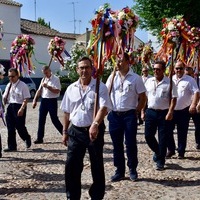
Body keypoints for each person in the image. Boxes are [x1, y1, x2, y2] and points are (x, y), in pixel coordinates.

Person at [60, 56, 112, 200]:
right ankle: (72, 196)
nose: (84, 70)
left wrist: (95, 124)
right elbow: (66, 111)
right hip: (75, 131)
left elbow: (103, 108)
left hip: (93, 132)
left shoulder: (99, 87)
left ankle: (96, 195)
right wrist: (65, 131)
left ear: (92, 69)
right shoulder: (71, 88)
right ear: (77, 70)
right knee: (71, 166)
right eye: (81, 67)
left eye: (87, 67)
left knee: (96, 165)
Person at [106, 52, 146, 182]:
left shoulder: (135, 78)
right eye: (117, 60)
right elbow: (105, 94)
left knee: (130, 143)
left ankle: (132, 169)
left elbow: (143, 97)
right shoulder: (112, 77)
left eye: (121, 60)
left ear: (128, 61)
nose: (118, 63)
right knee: (117, 144)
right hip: (115, 115)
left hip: (129, 115)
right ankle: (119, 170)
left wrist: (138, 110)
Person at [144, 60, 177, 170]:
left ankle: (161, 161)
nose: (156, 71)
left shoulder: (170, 83)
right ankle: (158, 152)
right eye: (154, 69)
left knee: (163, 138)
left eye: (158, 69)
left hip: (164, 113)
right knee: (148, 136)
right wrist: (142, 111)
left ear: (163, 70)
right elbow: (144, 97)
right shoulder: (149, 81)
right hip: (151, 112)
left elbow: (173, 98)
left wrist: (170, 111)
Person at [166, 62, 199, 158]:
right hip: (171, 109)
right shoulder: (170, 79)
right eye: (176, 68)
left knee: (182, 132)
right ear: (174, 69)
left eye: (180, 68)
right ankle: (171, 149)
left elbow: (196, 92)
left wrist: (193, 105)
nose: (178, 70)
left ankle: (181, 151)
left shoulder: (190, 80)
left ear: (184, 69)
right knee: (167, 130)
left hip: (184, 110)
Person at [3, 68, 31, 152]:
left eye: (13, 76)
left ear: (17, 75)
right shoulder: (9, 85)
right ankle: (12, 146)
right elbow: (5, 97)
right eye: (9, 76)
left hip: (19, 106)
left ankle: (26, 137)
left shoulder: (23, 85)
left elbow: (26, 99)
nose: (11, 78)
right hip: (10, 106)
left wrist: (22, 109)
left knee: (20, 126)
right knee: (10, 127)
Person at [32, 65, 63, 144]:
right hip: (44, 100)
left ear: (49, 71)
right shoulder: (43, 79)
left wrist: (48, 86)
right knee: (41, 119)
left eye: (46, 73)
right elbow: (39, 90)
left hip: (52, 100)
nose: (45, 75)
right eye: (44, 73)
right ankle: (39, 138)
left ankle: (65, 134)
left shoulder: (56, 79)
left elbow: (57, 91)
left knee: (54, 119)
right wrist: (35, 100)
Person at [184, 66, 200, 149]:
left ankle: (198, 142)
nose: (188, 76)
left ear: (193, 73)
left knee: (198, 125)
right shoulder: (183, 80)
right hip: (186, 106)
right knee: (183, 127)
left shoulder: (198, 80)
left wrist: (198, 104)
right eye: (186, 74)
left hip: (197, 105)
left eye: (189, 74)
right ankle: (181, 146)